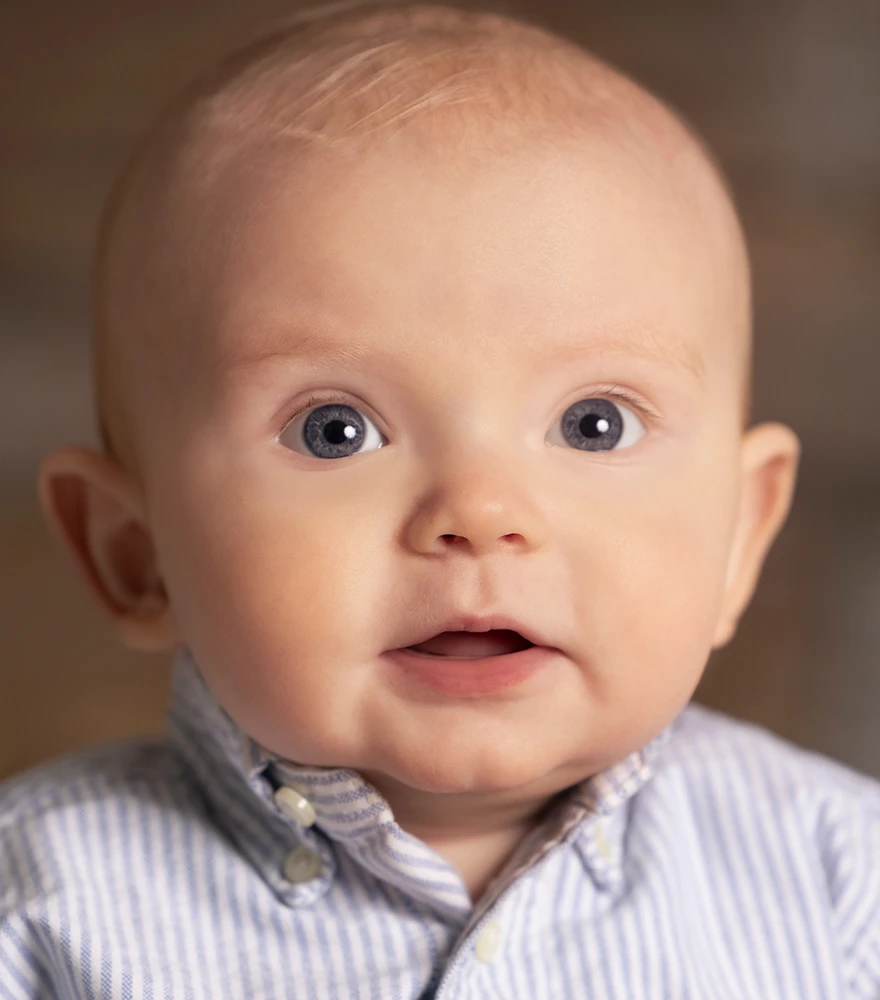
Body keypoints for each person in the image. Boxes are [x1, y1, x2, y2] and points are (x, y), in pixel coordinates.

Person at [2, 2, 878, 997]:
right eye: (336, 429)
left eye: (594, 422)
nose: (479, 511)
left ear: (739, 533)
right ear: (134, 553)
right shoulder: (42, 912)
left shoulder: (839, 878)